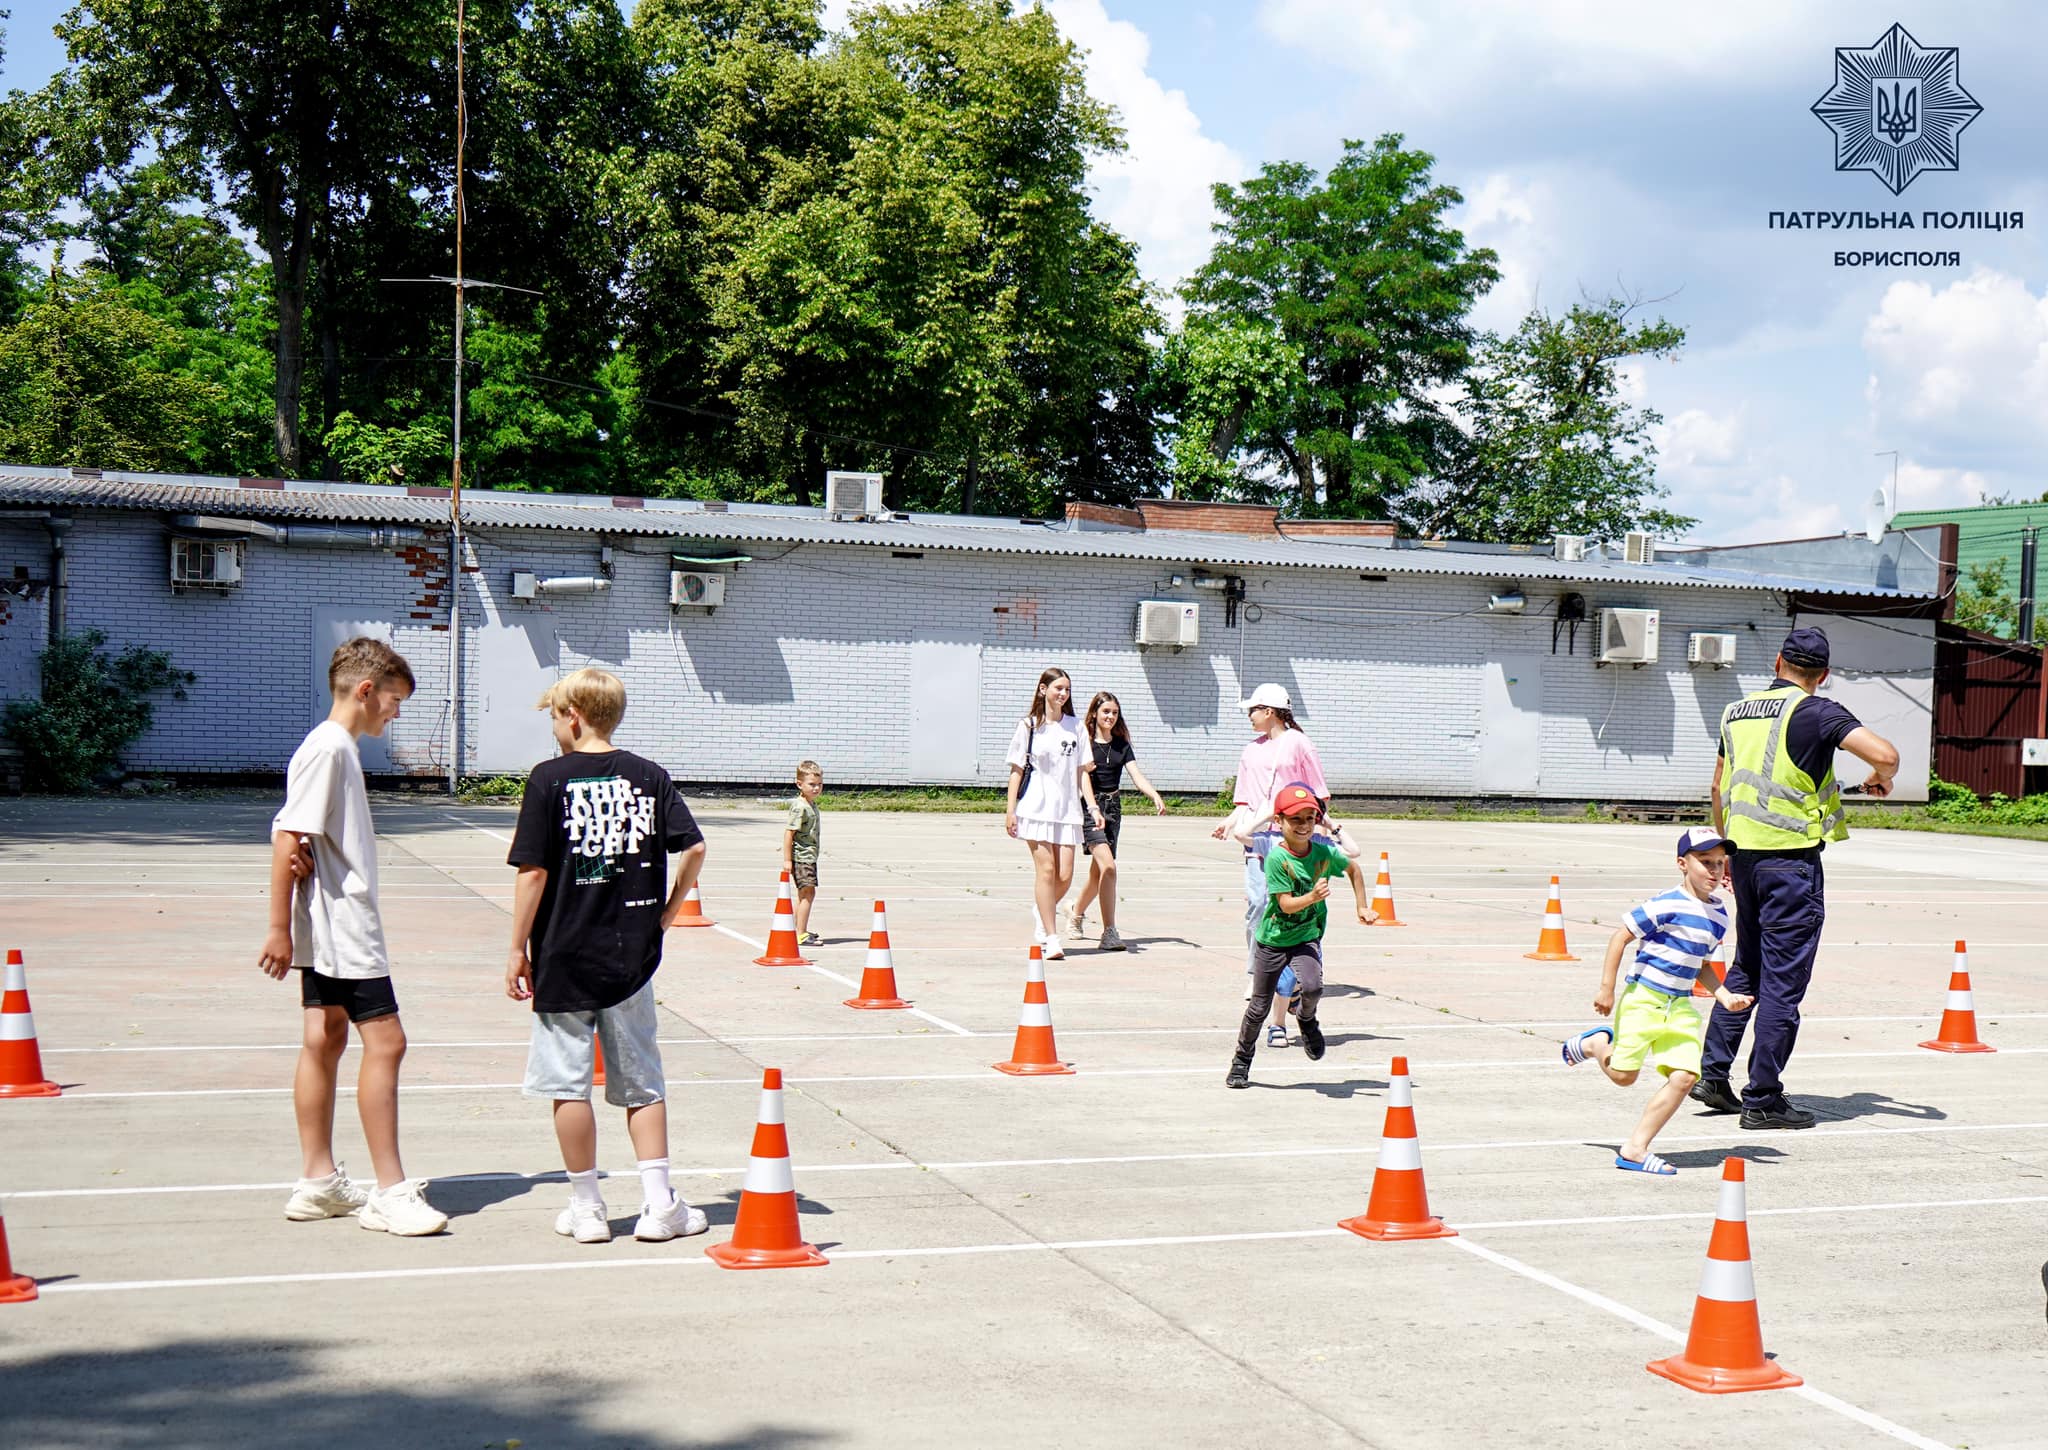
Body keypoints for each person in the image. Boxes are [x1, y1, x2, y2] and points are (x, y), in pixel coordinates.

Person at [504, 667, 711, 1244]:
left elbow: (533, 872)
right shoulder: (649, 776)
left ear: (573, 716)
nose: (553, 728)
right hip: (630, 958)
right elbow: (694, 847)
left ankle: (587, 1207)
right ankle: (659, 1204)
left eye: (554, 717)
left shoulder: (548, 780)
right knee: (642, 1081)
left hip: (563, 954)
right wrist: (666, 914)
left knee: (568, 1084)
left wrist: (517, 947)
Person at [257, 637, 447, 1236]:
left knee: (325, 1036)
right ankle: (390, 1191)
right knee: (387, 1043)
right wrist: (277, 929)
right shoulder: (332, 748)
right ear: (366, 691)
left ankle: (318, 1182)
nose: (396, 712)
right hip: (344, 924)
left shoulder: (330, 746)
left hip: (329, 921)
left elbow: (299, 837)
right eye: (395, 700)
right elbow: (287, 836)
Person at [1693, 626, 1900, 1129]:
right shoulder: (1818, 712)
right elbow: (1887, 756)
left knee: (1747, 967)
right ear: (1823, 674)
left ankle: (1714, 1076)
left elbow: (1718, 786)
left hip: (1744, 858)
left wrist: (1723, 854)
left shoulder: (1735, 712)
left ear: (1778, 663)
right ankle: (1763, 1098)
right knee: (1782, 983)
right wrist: (1880, 777)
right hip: (1790, 866)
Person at [1562, 828, 1755, 1174]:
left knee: (1685, 1077)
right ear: (1682, 864)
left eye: (1720, 863)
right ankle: (1596, 1044)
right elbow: (1620, 938)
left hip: (1679, 1006)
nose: (1714, 870)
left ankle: (1635, 1150)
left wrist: (1725, 997)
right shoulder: (1666, 903)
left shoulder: (1719, 915)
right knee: (1624, 1077)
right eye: (1705, 862)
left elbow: (1703, 965)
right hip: (1644, 998)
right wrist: (1607, 989)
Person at [1226, 784, 1373, 1088]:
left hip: (1306, 937)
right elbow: (1285, 905)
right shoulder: (1278, 858)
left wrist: (1362, 906)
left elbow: (1354, 869)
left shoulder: (1323, 852)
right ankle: (1241, 1061)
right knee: (1258, 1007)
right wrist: (1313, 897)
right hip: (1273, 940)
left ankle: (1306, 1019)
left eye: (1310, 818)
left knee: (1314, 988)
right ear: (1278, 821)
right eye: (1295, 819)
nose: (1304, 825)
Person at [1005, 667, 1106, 960]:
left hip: (1068, 810)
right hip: (1035, 808)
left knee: (1064, 876)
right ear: (1043, 689)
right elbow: (1016, 770)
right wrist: (1011, 810)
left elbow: (1082, 772)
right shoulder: (1028, 726)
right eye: (1058, 688)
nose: (1063, 694)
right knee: (1047, 870)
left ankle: (1042, 910)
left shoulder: (1076, 727)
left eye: (1067, 689)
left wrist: (1093, 807)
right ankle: (1051, 937)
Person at [1069, 692, 1166, 952]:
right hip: (1091, 809)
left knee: (1098, 873)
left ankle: (1076, 912)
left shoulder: (1122, 745)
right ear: (1094, 714)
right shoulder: (1085, 743)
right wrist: (1087, 784)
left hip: (1113, 810)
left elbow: (1136, 775)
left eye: (1114, 712)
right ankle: (1109, 931)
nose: (1110, 716)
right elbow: (1077, 776)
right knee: (1109, 868)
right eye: (1106, 712)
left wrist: (1154, 795)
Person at [784, 760, 825, 947]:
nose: (816, 788)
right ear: (799, 784)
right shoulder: (800, 807)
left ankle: (796, 929)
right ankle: (801, 933)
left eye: (819, 784)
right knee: (808, 893)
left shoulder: (810, 804)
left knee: (804, 894)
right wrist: (787, 860)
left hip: (809, 856)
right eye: (812, 784)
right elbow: (789, 833)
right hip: (802, 857)